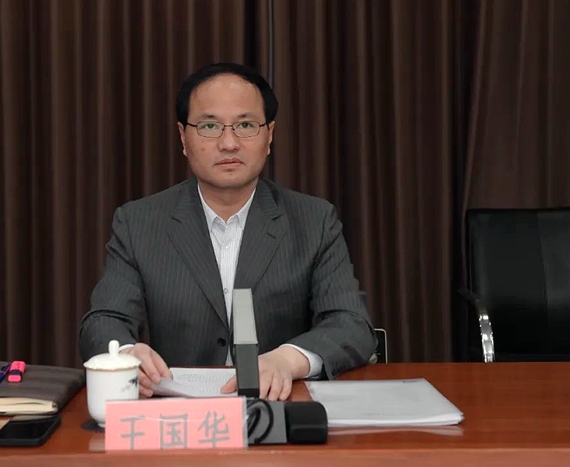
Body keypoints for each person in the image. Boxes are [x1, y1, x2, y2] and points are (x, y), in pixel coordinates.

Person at [79, 62, 376, 401]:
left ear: (269, 136)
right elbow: (103, 321)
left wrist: (288, 360)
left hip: (278, 407)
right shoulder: (139, 222)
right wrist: (128, 354)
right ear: (183, 137)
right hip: (179, 414)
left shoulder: (314, 220)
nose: (229, 143)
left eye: (246, 125)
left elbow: (351, 324)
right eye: (210, 126)